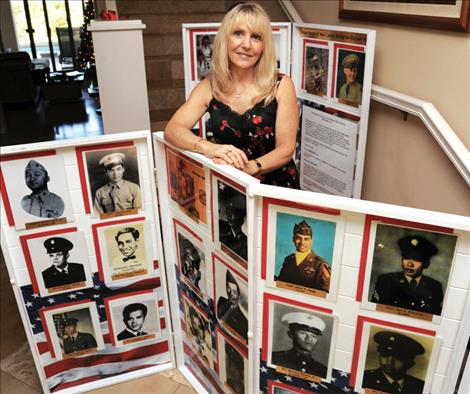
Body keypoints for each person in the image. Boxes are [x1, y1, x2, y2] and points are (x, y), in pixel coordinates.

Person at [165, 2, 299, 189]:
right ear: (225, 39)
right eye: (238, 33)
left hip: (275, 187)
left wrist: (252, 167)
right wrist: (208, 147)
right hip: (229, 185)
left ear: (264, 46)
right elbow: (172, 130)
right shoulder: (208, 87)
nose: (246, 45)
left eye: (256, 37)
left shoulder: (281, 85)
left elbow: (286, 149)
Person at [371, 235, 443, 315]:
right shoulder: (385, 281)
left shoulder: (435, 287)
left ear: (426, 264)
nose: (409, 264)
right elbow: (375, 312)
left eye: (416, 259)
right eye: (406, 258)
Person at [276, 220, 331, 292]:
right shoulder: (288, 260)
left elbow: (324, 294)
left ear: (311, 241)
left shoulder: (321, 264)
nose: (302, 242)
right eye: (298, 238)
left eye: (306, 239)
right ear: (293, 239)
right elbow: (281, 284)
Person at [271, 312, 327, 378]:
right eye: (303, 333)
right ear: (290, 334)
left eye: (314, 336)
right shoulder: (274, 358)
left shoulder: (323, 370)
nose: (308, 338)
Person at [217, 270, 248, 341]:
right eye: (229, 290)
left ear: (239, 294)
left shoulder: (243, 314)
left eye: (234, 292)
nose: (232, 295)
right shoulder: (222, 303)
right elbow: (220, 318)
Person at [218, 189, 247, 261]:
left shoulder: (246, 241)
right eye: (228, 211)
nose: (229, 216)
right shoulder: (220, 229)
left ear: (241, 216)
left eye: (234, 213)